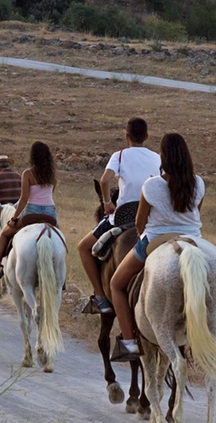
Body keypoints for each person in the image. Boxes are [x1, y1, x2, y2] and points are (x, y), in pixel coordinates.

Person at [109, 133, 206, 362]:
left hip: (156, 240)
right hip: (193, 240)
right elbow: (196, 214)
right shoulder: (199, 183)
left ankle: (129, 342)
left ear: (163, 157)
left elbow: (139, 223)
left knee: (116, 284)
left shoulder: (152, 185)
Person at [77, 117, 161, 315]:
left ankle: (100, 297)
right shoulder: (157, 157)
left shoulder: (120, 155)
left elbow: (104, 180)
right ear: (147, 137)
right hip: (151, 216)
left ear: (126, 137)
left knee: (83, 247)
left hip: (123, 216)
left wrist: (107, 203)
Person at [0, 141, 58, 280]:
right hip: (50, 213)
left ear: (33, 156)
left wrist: (14, 218)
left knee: (5, 234)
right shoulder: (52, 175)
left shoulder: (28, 173)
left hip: (32, 212)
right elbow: (50, 195)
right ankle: (61, 276)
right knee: (58, 238)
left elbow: (24, 198)